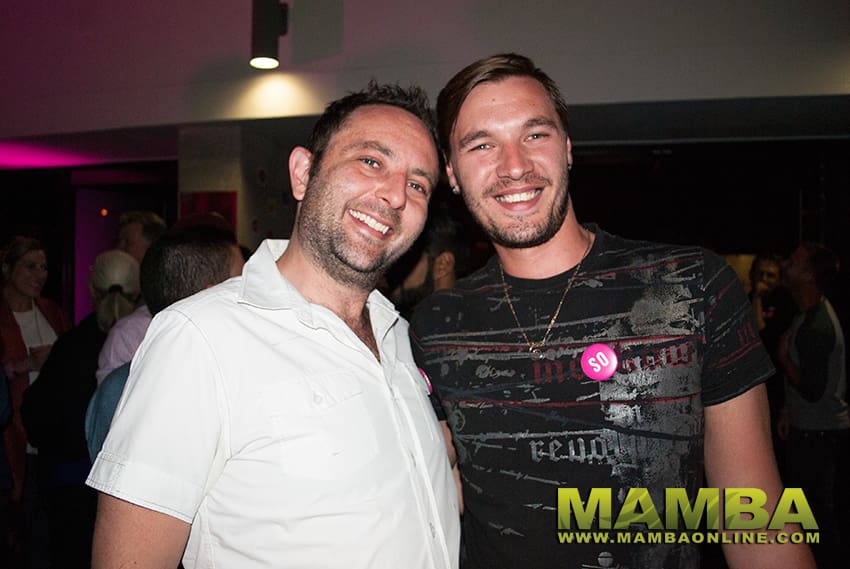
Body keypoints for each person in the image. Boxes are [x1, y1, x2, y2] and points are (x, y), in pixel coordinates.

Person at [409, 53, 814, 569]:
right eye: (482, 144)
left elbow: (754, 511)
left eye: (536, 134)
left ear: (567, 149)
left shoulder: (690, 285)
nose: (514, 166)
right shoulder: (434, 327)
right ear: (451, 172)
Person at [86, 81, 460, 569]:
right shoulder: (200, 337)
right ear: (303, 173)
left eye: (417, 185)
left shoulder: (403, 339)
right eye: (370, 161)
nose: (394, 195)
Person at [21, 249, 140, 569]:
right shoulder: (157, 337)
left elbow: (36, 416)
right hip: (131, 490)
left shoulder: (71, 346)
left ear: (91, 290)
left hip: (72, 488)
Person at [85, 224, 244, 461]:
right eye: (241, 282)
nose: (251, 292)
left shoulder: (118, 385)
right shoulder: (136, 389)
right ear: (211, 296)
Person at [95, 212, 241, 384]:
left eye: (127, 242)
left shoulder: (234, 348)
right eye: (238, 284)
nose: (119, 249)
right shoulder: (130, 334)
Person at [776, 242, 848, 568]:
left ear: (808, 274)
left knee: (815, 519)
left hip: (817, 435)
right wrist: (788, 410)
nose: (785, 265)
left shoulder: (817, 326)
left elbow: (813, 389)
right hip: (811, 430)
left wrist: (783, 359)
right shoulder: (808, 315)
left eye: (793, 261)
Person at [0, 236, 68, 568]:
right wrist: (24, 364)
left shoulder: (52, 310)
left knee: (48, 529)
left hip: (50, 436)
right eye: (30, 266)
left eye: (43, 267)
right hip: (12, 436)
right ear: (7, 268)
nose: (39, 274)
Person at [95, 210, 166, 383]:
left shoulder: (160, 303)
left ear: (152, 249)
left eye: (127, 243)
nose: (119, 250)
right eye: (119, 241)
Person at [748, 251, 795, 476]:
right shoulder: (745, 299)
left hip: (777, 383)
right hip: (752, 385)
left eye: (770, 275)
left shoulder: (786, 303)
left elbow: (762, 336)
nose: (764, 280)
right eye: (760, 274)